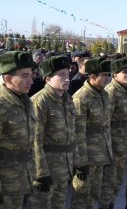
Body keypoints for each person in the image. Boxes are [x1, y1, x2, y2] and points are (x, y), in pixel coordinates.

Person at [0, 51, 36, 209]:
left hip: (23, 179)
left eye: (31, 75)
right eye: (25, 76)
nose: (31, 81)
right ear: (7, 79)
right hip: (3, 185)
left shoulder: (26, 102)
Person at [29, 55, 79, 209]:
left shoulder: (67, 99)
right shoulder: (40, 101)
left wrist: (76, 161)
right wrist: (41, 172)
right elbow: (35, 140)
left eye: (68, 73)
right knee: (43, 204)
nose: (67, 78)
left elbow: (72, 132)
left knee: (59, 204)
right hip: (47, 168)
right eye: (61, 75)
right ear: (48, 79)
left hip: (64, 165)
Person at [72, 57, 113, 209]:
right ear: (93, 76)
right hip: (87, 157)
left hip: (101, 154)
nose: (107, 78)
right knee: (82, 196)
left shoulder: (104, 95)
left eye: (108, 75)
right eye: (104, 75)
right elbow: (78, 132)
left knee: (94, 193)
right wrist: (80, 163)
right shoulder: (81, 98)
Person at [100, 58, 127, 209]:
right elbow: (105, 123)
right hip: (113, 145)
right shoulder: (112, 91)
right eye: (125, 72)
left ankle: (111, 205)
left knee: (118, 180)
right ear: (115, 74)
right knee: (108, 182)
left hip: (123, 143)